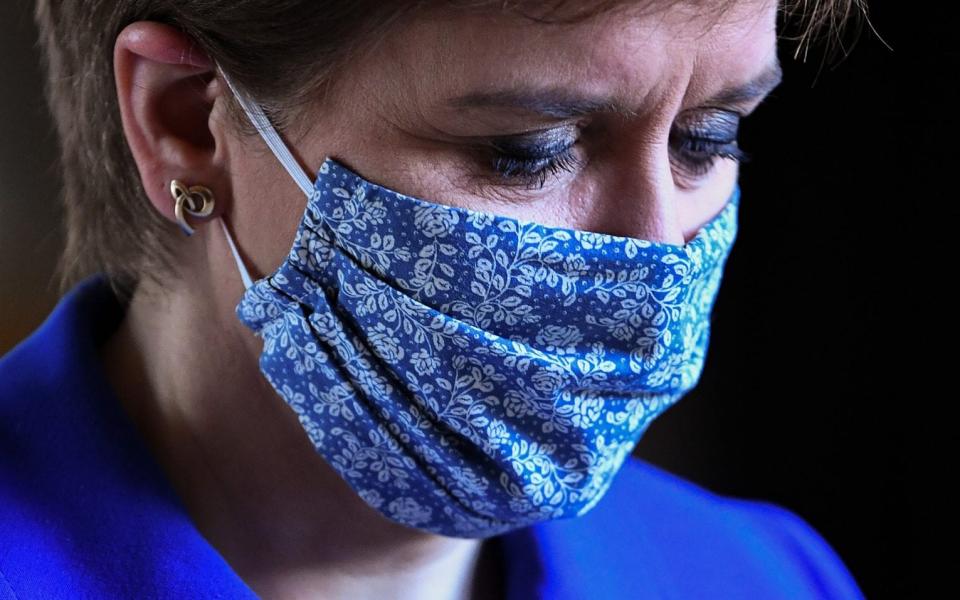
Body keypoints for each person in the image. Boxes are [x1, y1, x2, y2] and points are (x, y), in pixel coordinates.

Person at [0, 0, 867, 598]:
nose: (656, 256)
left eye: (706, 139)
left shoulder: (762, 577)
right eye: (527, 151)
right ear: (186, 124)